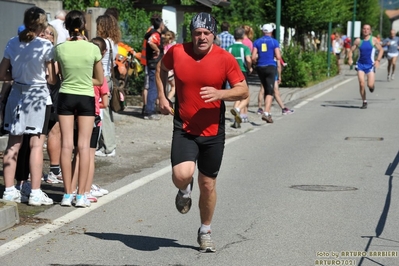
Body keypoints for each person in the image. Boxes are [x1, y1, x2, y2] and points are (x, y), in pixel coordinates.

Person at [155, 12, 249, 252]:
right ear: (192, 34)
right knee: (181, 175)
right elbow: (160, 69)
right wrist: (162, 96)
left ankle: (205, 230)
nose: (202, 38)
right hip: (184, 127)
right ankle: (184, 190)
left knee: (207, 184)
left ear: (213, 35)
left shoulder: (225, 58)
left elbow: (243, 90)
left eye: (207, 33)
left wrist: (221, 94)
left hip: (213, 131)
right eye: (198, 33)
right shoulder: (177, 52)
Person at [0, 7, 56, 205]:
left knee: (13, 144)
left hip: (17, 93)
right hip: (38, 95)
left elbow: (2, 73)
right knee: (36, 145)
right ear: (42, 24)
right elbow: (51, 78)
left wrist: (15, 77)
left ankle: (8, 189)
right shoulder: (45, 46)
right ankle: (34, 191)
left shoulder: (12, 42)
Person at [54, 10, 103, 207]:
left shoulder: (59, 49)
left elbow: (55, 77)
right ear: (83, 26)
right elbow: (99, 80)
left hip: (65, 95)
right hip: (86, 97)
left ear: (66, 26)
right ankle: (81, 195)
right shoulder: (93, 49)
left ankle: (67, 194)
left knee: (67, 145)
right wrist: (83, 79)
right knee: (83, 146)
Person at [68, 37, 110, 204]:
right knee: (89, 155)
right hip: (93, 117)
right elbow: (105, 103)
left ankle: (70, 190)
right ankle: (85, 190)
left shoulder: (79, 73)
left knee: (76, 154)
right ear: (103, 53)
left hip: (75, 114)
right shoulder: (101, 79)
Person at [94, 14, 121, 157]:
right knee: (106, 112)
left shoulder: (103, 43)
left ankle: (108, 147)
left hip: (101, 78)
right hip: (108, 78)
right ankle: (107, 145)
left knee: (102, 113)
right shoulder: (113, 42)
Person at [40, 24, 64, 184]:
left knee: (55, 130)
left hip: (54, 91)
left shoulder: (56, 53)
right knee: (38, 133)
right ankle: (31, 170)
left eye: (50, 34)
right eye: (43, 33)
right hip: (39, 91)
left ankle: (54, 170)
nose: (46, 35)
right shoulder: (33, 51)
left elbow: (57, 76)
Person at [348, 24, 384, 109]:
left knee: (370, 85)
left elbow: (381, 50)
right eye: (364, 29)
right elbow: (351, 51)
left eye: (368, 29)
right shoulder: (358, 41)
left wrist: (378, 60)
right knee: (361, 83)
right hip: (360, 64)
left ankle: (372, 87)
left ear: (370, 31)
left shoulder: (374, 40)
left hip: (370, 65)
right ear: (362, 30)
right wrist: (350, 58)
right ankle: (364, 101)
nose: (366, 30)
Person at [252, 23, 281, 123]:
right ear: (271, 31)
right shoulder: (274, 42)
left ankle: (267, 112)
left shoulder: (257, 42)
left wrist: (257, 61)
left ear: (262, 31)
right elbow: (278, 56)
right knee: (270, 91)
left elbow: (253, 57)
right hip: (270, 67)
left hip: (260, 67)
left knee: (264, 88)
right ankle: (266, 112)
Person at [227, 27, 252, 127]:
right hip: (242, 71)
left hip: (231, 72)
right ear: (243, 36)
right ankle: (238, 110)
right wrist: (250, 68)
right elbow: (248, 60)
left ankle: (237, 117)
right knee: (246, 94)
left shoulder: (230, 48)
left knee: (237, 94)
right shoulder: (245, 48)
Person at [143, 16, 165, 120]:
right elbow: (151, 42)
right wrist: (157, 50)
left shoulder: (152, 32)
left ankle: (149, 109)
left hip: (151, 62)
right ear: (161, 25)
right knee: (153, 87)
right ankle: (150, 111)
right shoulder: (155, 34)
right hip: (154, 63)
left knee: (152, 86)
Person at [163, 30, 176, 101]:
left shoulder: (161, 47)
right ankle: (167, 100)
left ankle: (159, 103)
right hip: (170, 71)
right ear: (172, 39)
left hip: (161, 70)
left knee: (163, 88)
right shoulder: (171, 48)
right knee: (174, 87)